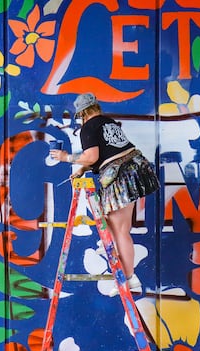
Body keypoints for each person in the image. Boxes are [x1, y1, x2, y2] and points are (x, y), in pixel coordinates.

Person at [49, 92, 160, 295]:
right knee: (117, 226)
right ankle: (125, 271)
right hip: (134, 171)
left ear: (82, 113)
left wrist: (65, 157)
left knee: (118, 230)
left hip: (119, 177)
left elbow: (92, 156)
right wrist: (83, 168)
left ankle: (127, 278)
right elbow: (109, 154)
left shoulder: (88, 128)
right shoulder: (108, 123)